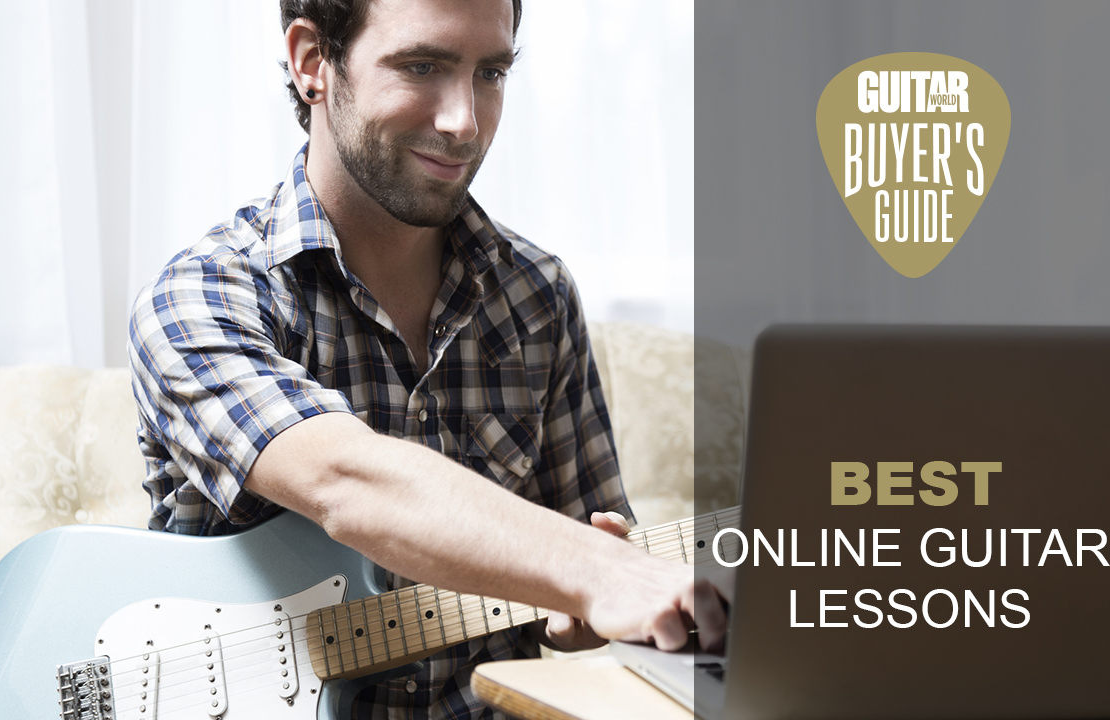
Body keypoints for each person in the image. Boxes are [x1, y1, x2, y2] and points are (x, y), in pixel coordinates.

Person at [128, 0, 727, 716]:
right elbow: (346, 480)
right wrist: (589, 567)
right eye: (423, 66)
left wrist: (585, 612)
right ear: (312, 61)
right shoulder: (200, 298)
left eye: (492, 72)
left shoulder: (539, 296)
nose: (465, 122)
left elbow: (596, 597)